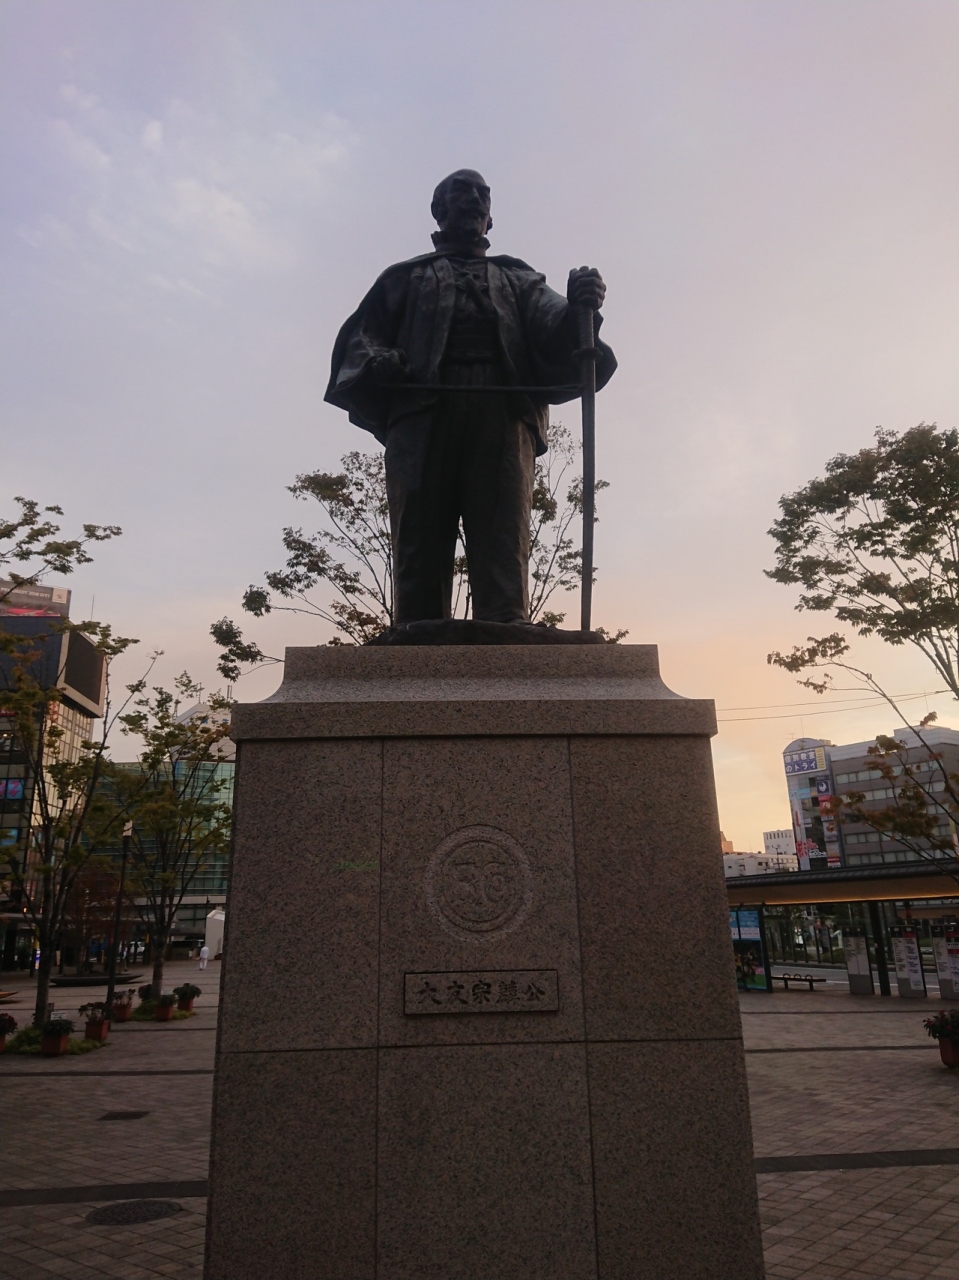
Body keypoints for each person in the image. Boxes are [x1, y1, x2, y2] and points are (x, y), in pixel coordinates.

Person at [325, 169, 616, 626]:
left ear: (490, 218)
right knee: (419, 528)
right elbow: (364, 337)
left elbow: (555, 323)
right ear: (438, 210)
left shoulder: (517, 279)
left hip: (500, 410)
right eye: (463, 191)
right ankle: (417, 628)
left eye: (483, 194)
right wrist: (379, 360)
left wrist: (580, 307)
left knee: (503, 525)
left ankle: (505, 624)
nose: (475, 199)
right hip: (423, 410)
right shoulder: (405, 278)